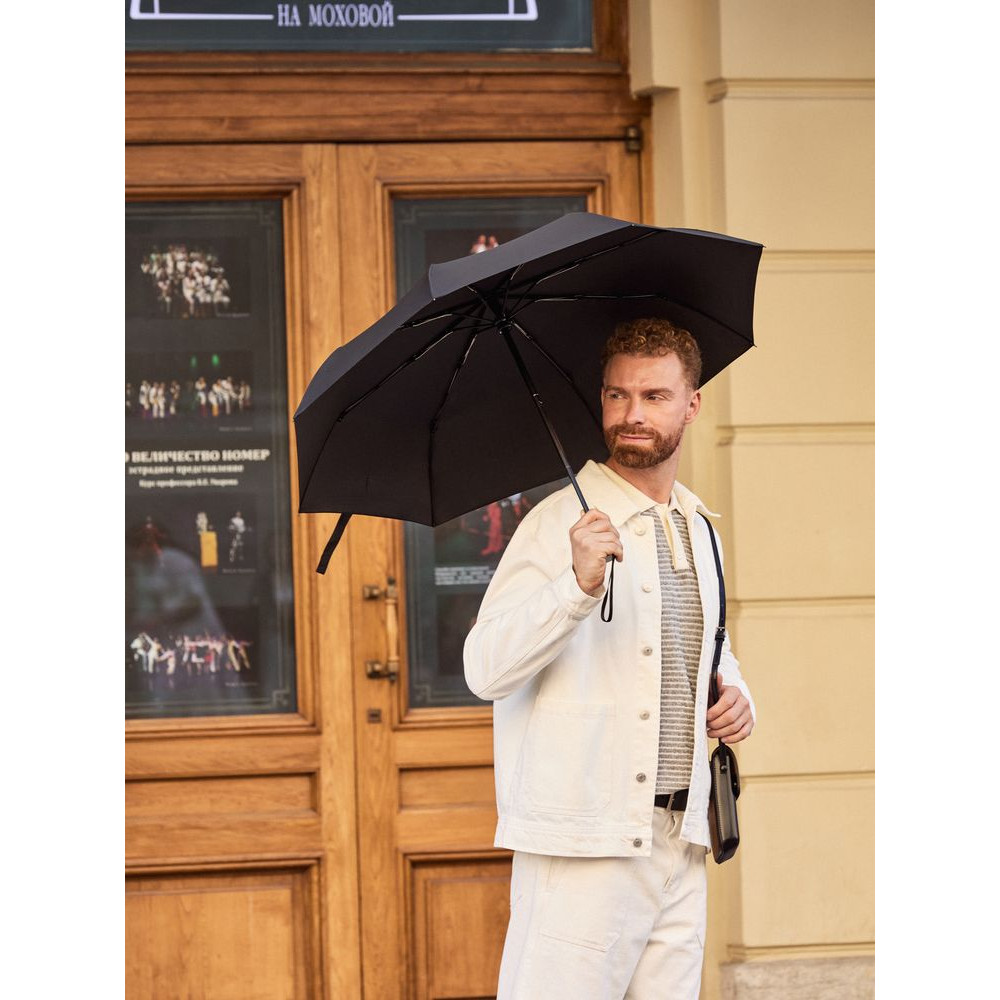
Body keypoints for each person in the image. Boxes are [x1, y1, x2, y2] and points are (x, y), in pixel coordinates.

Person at [463, 317, 756, 1000]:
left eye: (654, 396)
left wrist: (737, 695)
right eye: (618, 395)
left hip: (681, 837)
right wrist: (576, 585)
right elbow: (485, 668)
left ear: (692, 404)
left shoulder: (698, 527)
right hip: (584, 842)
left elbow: (708, 645)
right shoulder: (557, 524)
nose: (632, 415)